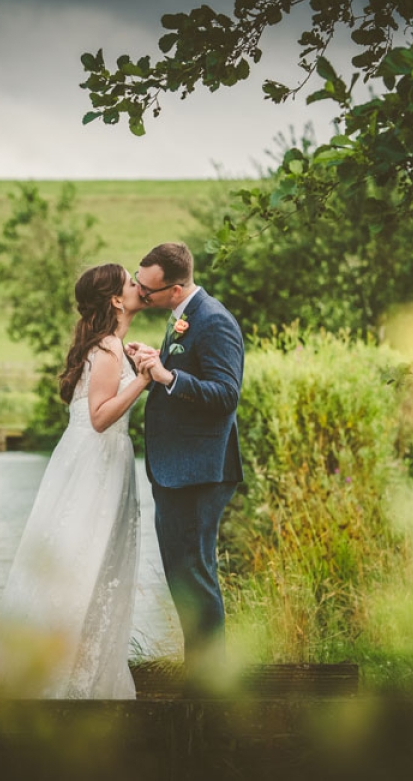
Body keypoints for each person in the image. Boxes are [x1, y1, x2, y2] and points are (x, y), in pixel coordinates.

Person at [0, 263, 151, 699]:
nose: (138, 285)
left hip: (90, 461)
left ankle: (71, 674)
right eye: (131, 282)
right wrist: (146, 379)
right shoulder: (109, 349)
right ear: (116, 300)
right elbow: (99, 418)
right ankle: (62, 684)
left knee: (85, 562)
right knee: (82, 562)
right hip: (96, 462)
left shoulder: (111, 347)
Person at [125, 242, 244, 694]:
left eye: (147, 290)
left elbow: (225, 395)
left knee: (193, 574)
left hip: (200, 472)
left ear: (175, 290)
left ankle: (209, 685)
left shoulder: (214, 322)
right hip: (179, 469)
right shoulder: (184, 317)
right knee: (185, 573)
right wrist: (154, 363)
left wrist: (168, 377)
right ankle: (203, 676)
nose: (140, 293)